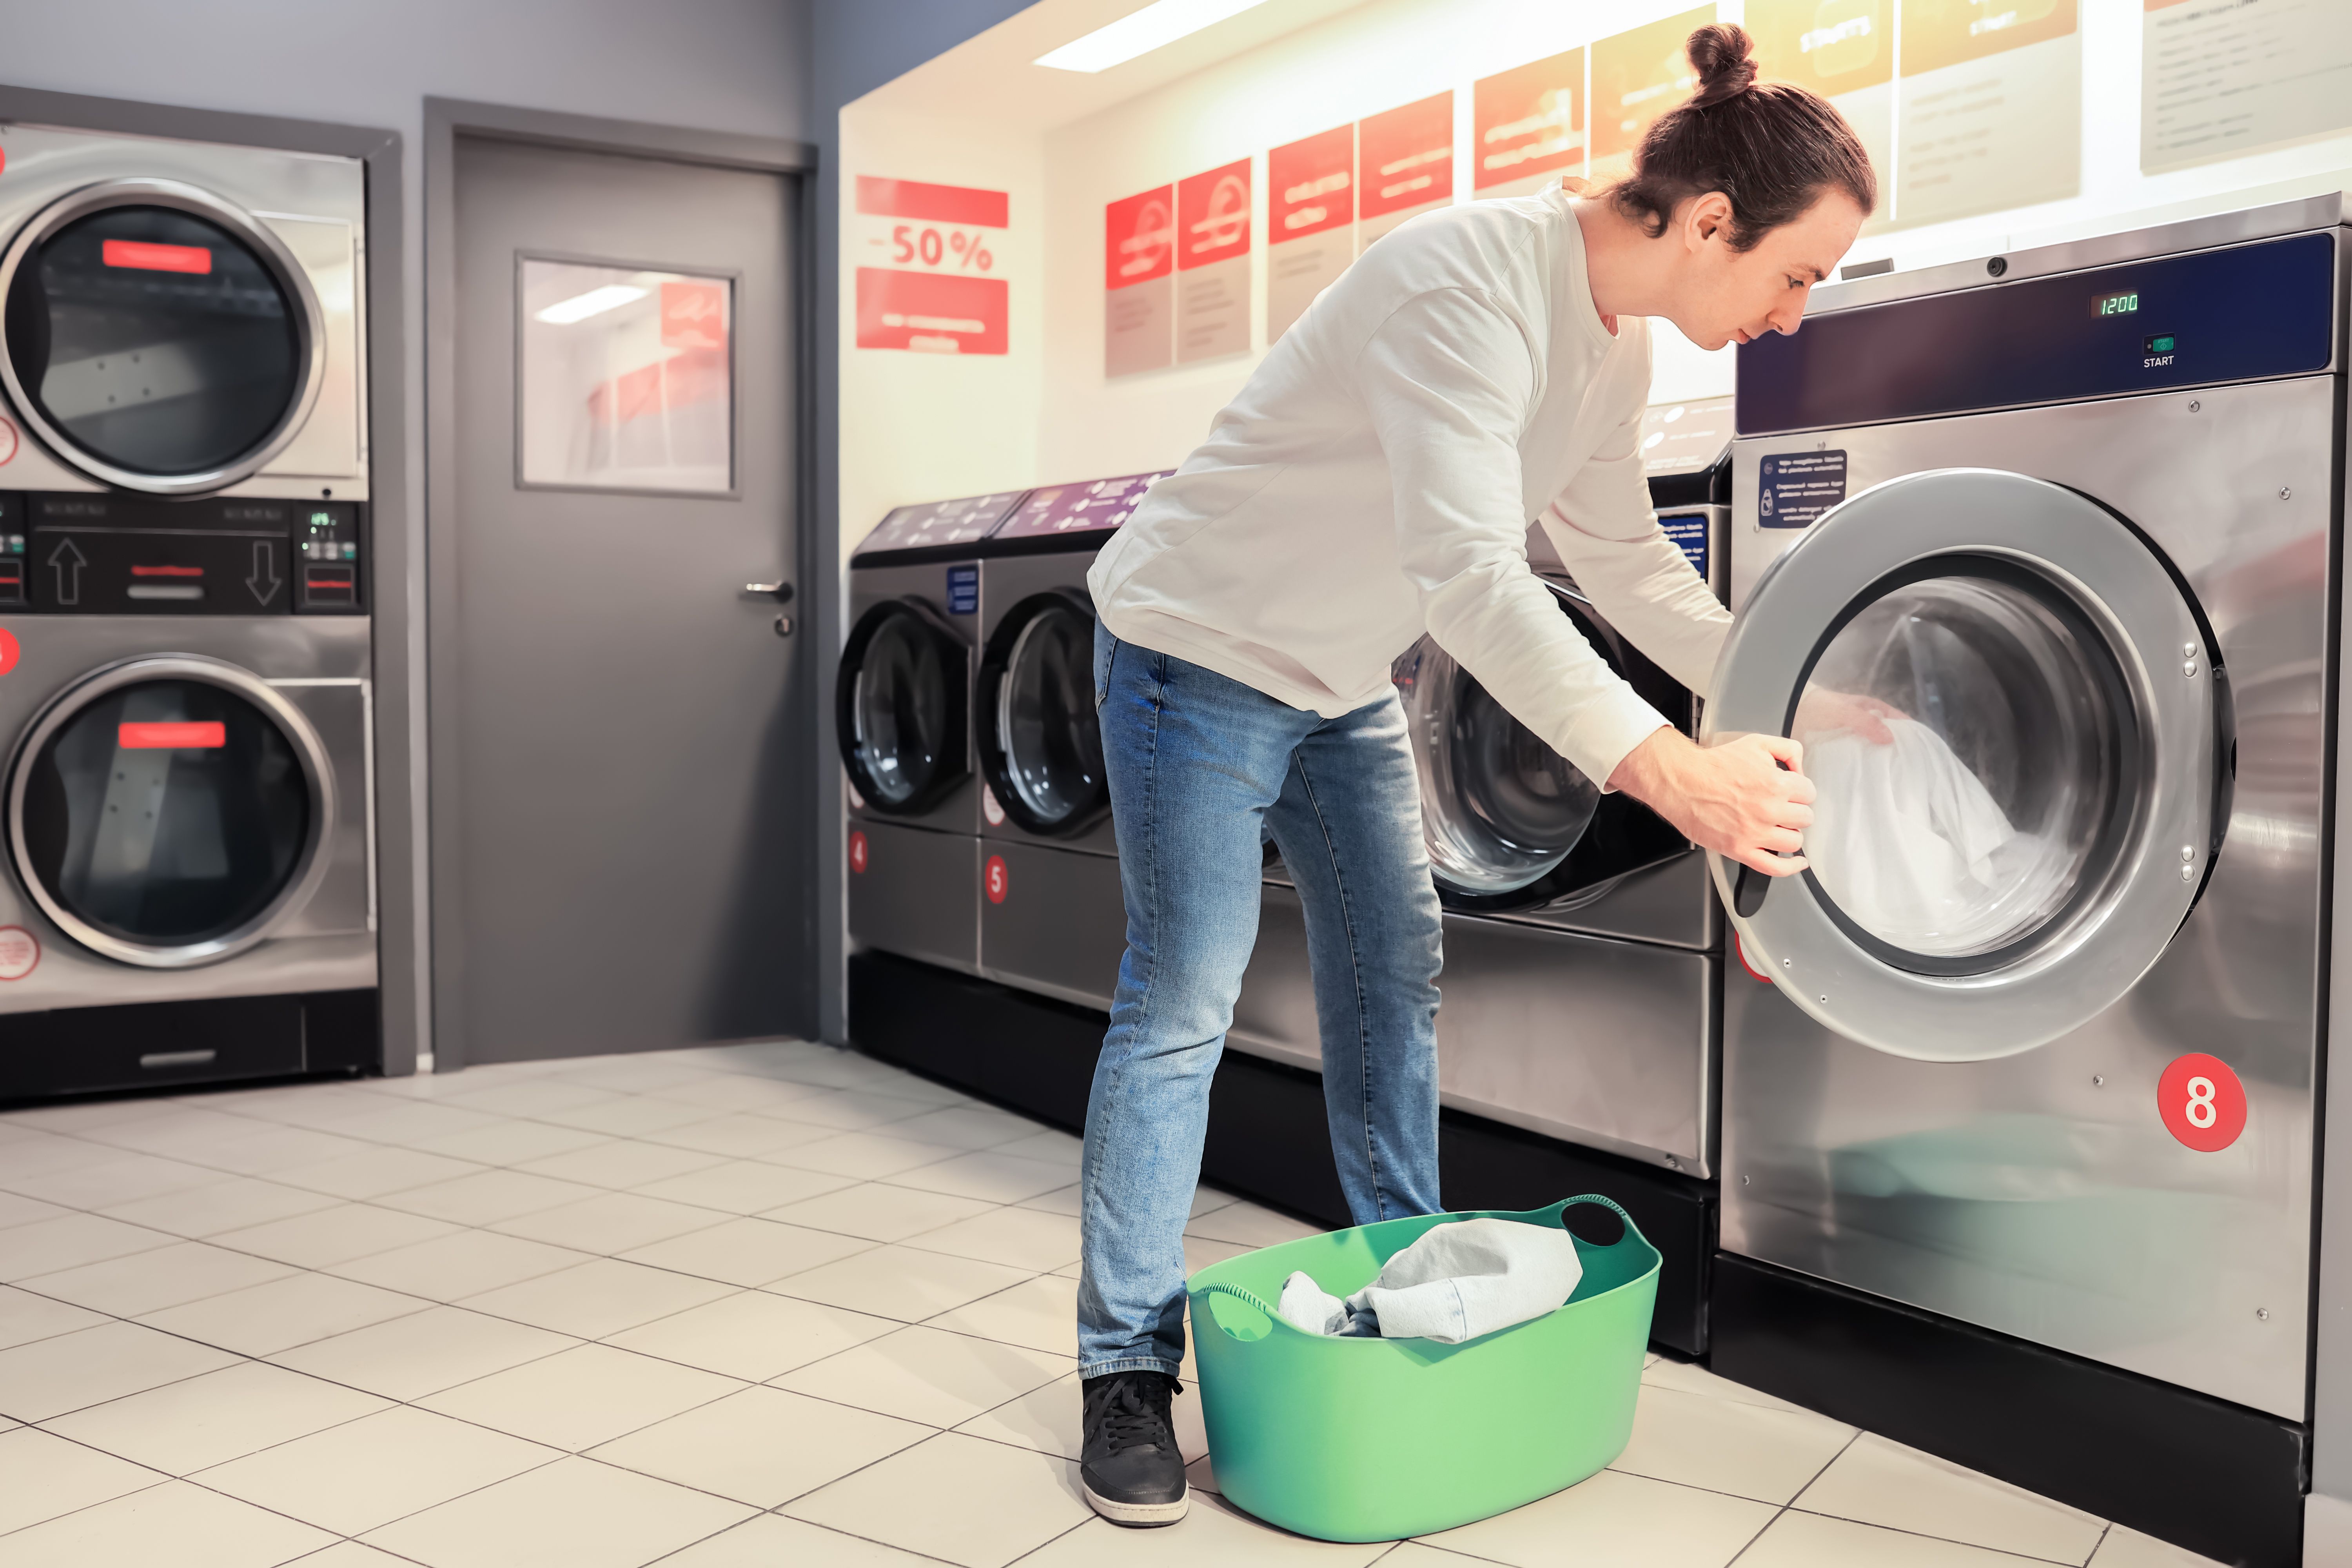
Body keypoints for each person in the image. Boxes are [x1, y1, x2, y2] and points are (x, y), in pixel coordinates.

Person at [1073, 24, 1879, 1526]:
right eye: (1795, 275)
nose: (1792, 313)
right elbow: (1470, 574)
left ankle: (1416, 1290)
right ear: (1713, 222)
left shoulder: (1618, 342)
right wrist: (1673, 775)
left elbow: (1624, 562)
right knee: (1183, 1002)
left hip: (1337, 678)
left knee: (1395, 973)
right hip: (1197, 652)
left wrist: (1790, 684)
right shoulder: (1465, 283)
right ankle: (1124, 1370)